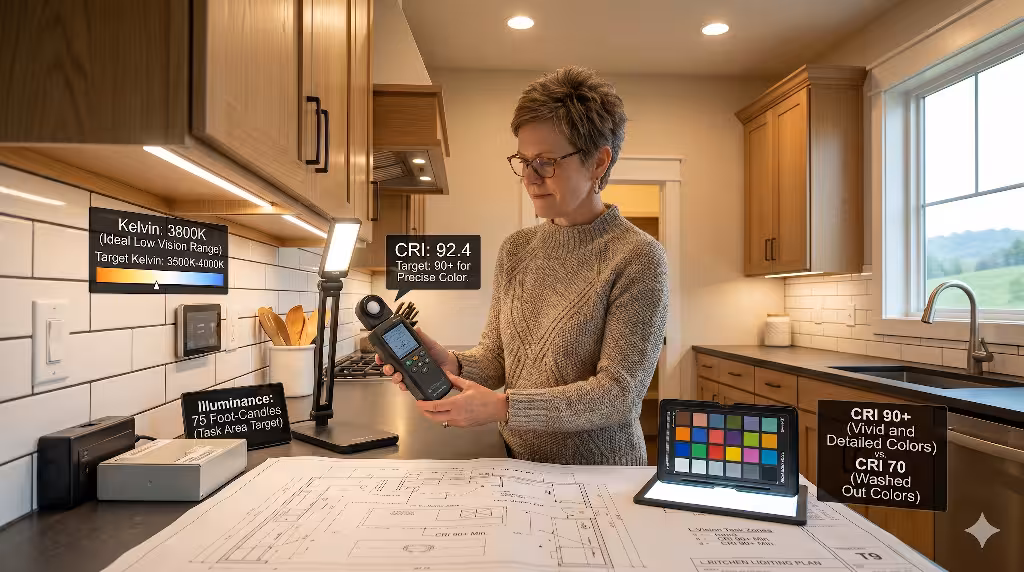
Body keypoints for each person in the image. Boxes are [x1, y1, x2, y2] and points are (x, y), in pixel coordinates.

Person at [377, 66, 669, 466]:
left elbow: (617, 395)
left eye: (546, 161)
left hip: (598, 477)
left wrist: (503, 408)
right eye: (523, 160)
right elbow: (498, 358)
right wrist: (453, 361)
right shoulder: (516, 249)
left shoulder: (638, 257)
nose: (529, 178)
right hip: (515, 462)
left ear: (599, 162)